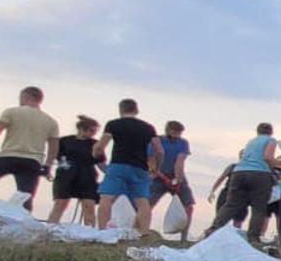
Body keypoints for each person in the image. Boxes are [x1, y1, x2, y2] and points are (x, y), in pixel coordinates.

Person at [207, 123, 281, 241]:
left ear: (258, 132)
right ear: (271, 132)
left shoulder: (251, 142)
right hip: (259, 173)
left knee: (231, 204)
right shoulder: (271, 140)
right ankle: (253, 236)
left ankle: (214, 229)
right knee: (259, 207)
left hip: (239, 172)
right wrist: (277, 165)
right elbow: (267, 157)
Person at [94, 100, 159, 233]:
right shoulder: (148, 128)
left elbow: (100, 146)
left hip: (118, 164)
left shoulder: (113, 124)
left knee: (107, 198)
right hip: (140, 168)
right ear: (136, 110)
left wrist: (97, 156)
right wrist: (156, 168)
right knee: (142, 201)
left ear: (120, 110)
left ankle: (102, 231)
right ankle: (144, 232)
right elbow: (160, 150)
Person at [48, 116, 103, 226]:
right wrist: (47, 169)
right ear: (82, 128)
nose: (93, 134)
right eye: (91, 130)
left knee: (89, 205)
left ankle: (90, 232)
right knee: (60, 203)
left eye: (95, 131)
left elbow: (101, 163)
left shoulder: (95, 144)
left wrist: (110, 174)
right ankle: (50, 228)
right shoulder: (64, 141)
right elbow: (54, 156)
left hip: (87, 177)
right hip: (66, 175)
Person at [147, 122, 196, 240]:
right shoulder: (157, 141)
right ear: (168, 130)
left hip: (177, 176)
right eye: (175, 132)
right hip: (157, 176)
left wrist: (178, 180)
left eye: (179, 133)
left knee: (188, 205)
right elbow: (151, 160)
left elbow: (180, 162)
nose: (177, 135)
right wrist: (159, 175)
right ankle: (142, 232)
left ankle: (184, 237)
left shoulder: (183, 143)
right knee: (147, 204)